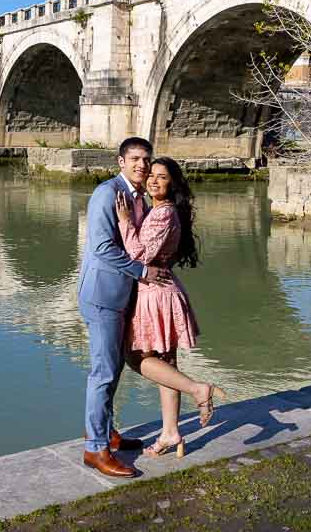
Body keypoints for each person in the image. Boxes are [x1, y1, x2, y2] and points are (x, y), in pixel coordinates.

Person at [117, 156, 226, 458]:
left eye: (161, 177)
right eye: (151, 175)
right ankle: (170, 432)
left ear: (173, 183)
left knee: (136, 358)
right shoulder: (162, 211)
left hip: (154, 294)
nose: (153, 180)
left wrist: (125, 222)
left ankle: (197, 389)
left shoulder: (163, 214)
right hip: (162, 289)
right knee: (166, 363)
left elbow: (139, 254)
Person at [77, 137, 174, 478]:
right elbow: (103, 247)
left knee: (114, 369)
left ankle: (104, 431)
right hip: (102, 295)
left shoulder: (140, 199)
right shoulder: (107, 194)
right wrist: (144, 272)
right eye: (134, 159)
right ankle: (95, 450)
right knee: (102, 372)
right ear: (120, 162)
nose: (141, 165)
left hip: (123, 296)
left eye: (146, 160)